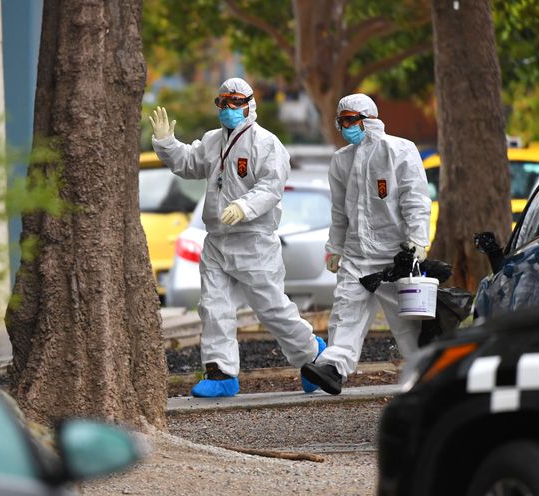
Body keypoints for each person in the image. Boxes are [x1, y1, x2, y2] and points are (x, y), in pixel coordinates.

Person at [149, 77, 325, 398]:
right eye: (223, 103)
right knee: (214, 307)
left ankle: (311, 354)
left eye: (235, 102)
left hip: (253, 240)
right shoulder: (213, 141)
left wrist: (244, 207)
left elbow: (271, 188)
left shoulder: (266, 144)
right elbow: (189, 163)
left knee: (270, 308)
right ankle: (221, 373)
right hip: (216, 239)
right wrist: (167, 144)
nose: (229, 109)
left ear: (249, 104)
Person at [301, 93, 431, 395]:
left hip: (396, 256)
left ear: (368, 120)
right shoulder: (341, 160)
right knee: (346, 312)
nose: (345, 126)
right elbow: (339, 211)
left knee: (407, 324)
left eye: (350, 120)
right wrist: (335, 247)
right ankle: (332, 368)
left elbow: (415, 198)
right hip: (358, 255)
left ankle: (427, 376)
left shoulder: (399, 151)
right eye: (341, 121)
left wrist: (417, 240)